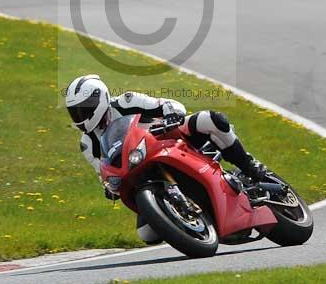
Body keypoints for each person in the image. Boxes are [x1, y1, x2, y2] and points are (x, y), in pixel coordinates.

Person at [64, 74, 271, 245]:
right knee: (147, 234)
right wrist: (110, 188)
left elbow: (167, 104)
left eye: (84, 109)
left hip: (168, 140)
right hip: (138, 170)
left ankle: (248, 165)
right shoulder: (87, 143)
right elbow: (102, 171)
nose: (80, 116)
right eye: (74, 112)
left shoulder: (126, 101)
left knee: (211, 120)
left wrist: (172, 113)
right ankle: (194, 222)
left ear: (100, 99)